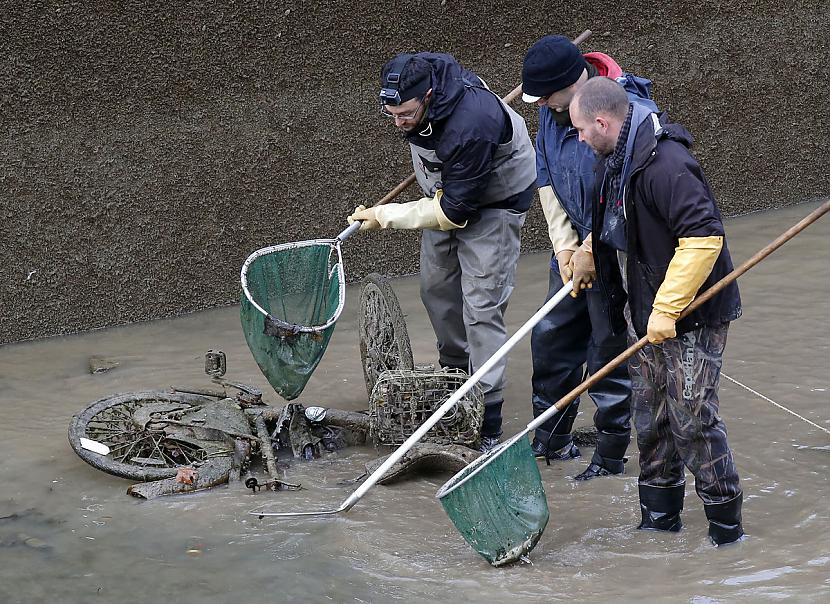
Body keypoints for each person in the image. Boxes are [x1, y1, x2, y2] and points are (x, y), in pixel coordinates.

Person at [569, 76, 744, 545]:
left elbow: (704, 237)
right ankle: (658, 524)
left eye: (582, 130)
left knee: (692, 418)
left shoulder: (666, 162)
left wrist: (668, 308)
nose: (580, 140)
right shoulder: (614, 159)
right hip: (645, 311)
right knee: (651, 418)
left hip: (692, 314)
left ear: (602, 123)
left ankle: (727, 534)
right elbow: (615, 220)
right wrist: (588, 248)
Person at [348, 52, 537, 452]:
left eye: (406, 115)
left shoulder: (472, 124)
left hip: (493, 203)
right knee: (434, 287)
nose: (398, 123)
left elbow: (453, 212)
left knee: (481, 304)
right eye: (390, 114)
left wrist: (386, 215)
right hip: (448, 189)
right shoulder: (420, 81)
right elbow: (445, 198)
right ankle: (455, 372)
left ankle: (487, 414)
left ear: (430, 96)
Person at [520, 35, 657, 480]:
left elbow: (626, 189)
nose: (541, 104)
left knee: (607, 347)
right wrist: (564, 247)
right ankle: (551, 438)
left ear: (572, 84)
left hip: (615, 246)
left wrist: (593, 247)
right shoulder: (552, 112)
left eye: (546, 95)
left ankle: (610, 455)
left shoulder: (626, 112)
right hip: (573, 242)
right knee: (551, 334)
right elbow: (546, 179)